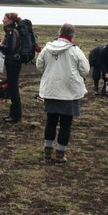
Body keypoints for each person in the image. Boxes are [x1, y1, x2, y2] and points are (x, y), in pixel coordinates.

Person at [36, 23, 90, 164]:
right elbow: (85, 70)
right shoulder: (75, 50)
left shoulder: (47, 49)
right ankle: (60, 155)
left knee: (51, 121)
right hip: (69, 91)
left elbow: (39, 66)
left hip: (51, 90)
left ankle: (47, 153)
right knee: (66, 124)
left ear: (59, 33)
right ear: (72, 36)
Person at [0, 12, 23, 123]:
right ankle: (13, 114)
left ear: (10, 20)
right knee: (12, 87)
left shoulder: (11, 31)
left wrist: (0, 45)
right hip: (13, 62)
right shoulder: (12, 31)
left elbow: (10, 49)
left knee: (13, 88)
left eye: (5, 18)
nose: (3, 20)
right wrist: (2, 44)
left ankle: (15, 116)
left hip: (13, 62)